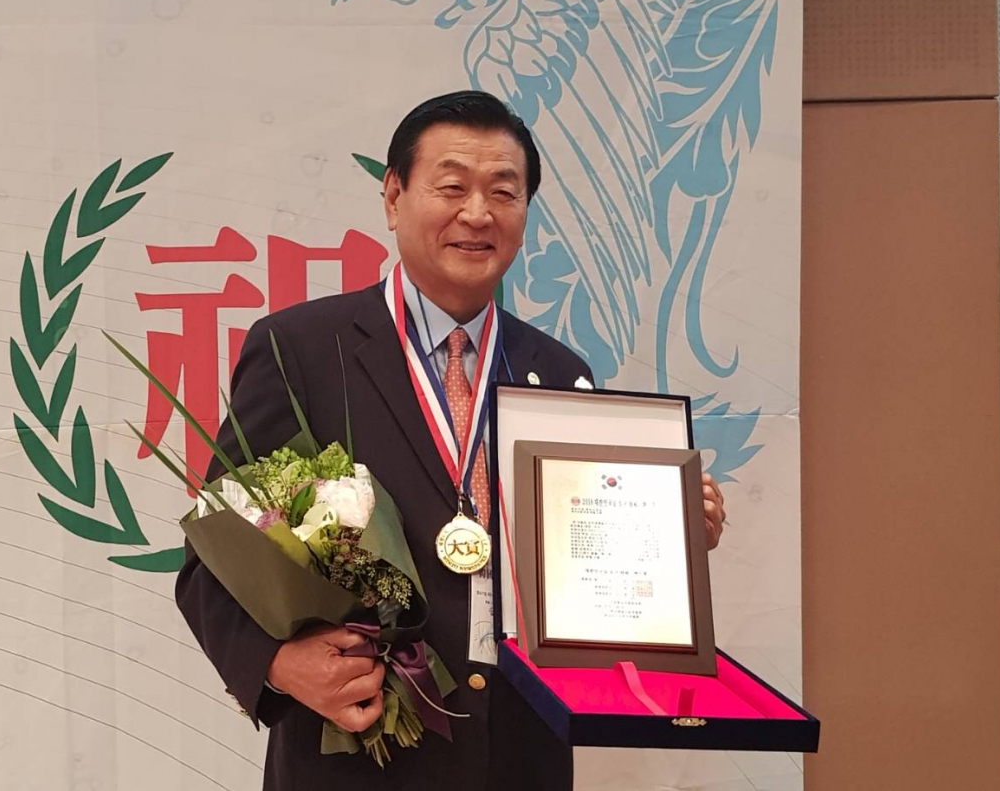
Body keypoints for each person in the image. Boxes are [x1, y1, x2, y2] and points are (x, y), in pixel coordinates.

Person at [175, 90, 730, 791]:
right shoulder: (301, 351)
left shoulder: (561, 374)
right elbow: (212, 559)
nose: (477, 213)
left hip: (521, 758)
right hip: (360, 755)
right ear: (393, 196)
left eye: (504, 191)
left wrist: (668, 530)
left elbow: (583, 566)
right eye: (452, 186)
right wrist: (281, 664)